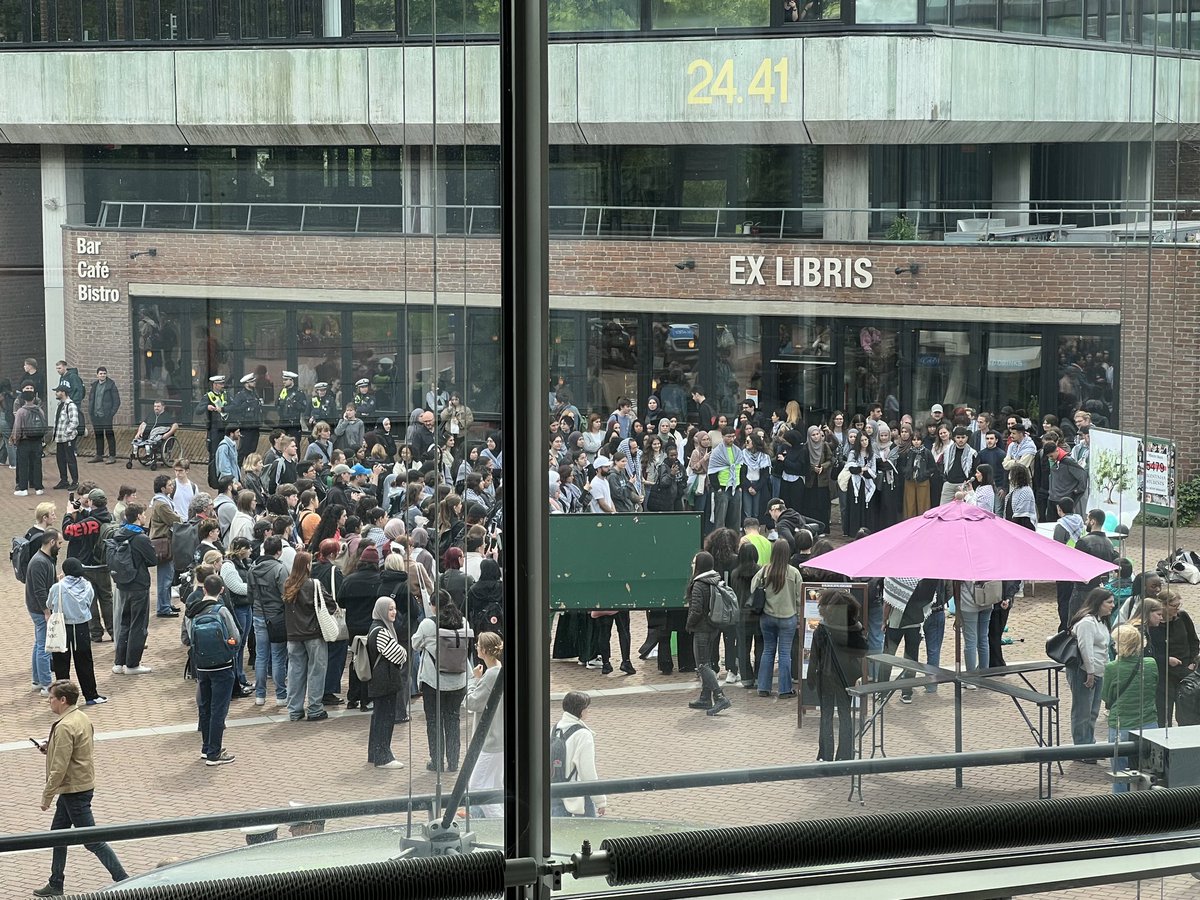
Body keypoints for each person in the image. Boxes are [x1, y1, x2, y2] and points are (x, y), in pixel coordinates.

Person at [32, 680, 128, 897]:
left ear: (63, 700)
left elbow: (60, 766)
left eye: (52, 698)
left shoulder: (65, 725)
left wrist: (47, 796)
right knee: (58, 835)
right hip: (76, 786)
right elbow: (75, 750)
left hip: (73, 790)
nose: (50, 701)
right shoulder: (81, 717)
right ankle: (56, 882)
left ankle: (124, 879)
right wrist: (51, 746)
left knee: (93, 841)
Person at [412, 592, 474, 772]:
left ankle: (436, 761)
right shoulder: (463, 622)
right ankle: (453, 762)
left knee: (434, 721)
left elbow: (415, 644)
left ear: (432, 605)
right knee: (453, 720)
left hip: (434, 681)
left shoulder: (428, 624)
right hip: (459, 679)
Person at [184, 574, 240, 766]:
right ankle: (215, 753)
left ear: (204, 590)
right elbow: (236, 637)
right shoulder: (221, 610)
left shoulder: (193, 611)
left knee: (205, 707)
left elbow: (187, 638)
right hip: (222, 665)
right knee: (219, 709)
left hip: (201, 666)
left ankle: (206, 748)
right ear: (222, 591)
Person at [806, 588, 867, 761]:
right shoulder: (855, 628)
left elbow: (814, 658)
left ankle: (825, 755)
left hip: (825, 677)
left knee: (826, 715)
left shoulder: (822, 630)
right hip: (847, 676)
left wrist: (810, 678)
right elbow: (863, 651)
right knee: (845, 714)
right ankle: (845, 754)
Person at [1103, 624, 1159, 792]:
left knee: (1120, 773)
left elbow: (1107, 696)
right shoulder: (1150, 663)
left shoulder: (1112, 668)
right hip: (1148, 721)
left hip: (1122, 724)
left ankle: (1121, 810)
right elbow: (1154, 687)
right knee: (1150, 773)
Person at [283, 551, 334, 724]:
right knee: (316, 671)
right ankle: (314, 708)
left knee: (295, 671)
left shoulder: (288, 584)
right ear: (307, 565)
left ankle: (295, 710)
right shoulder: (314, 584)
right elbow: (330, 604)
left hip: (293, 634)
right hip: (313, 633)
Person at [750, 538, 803, 699]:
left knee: (768, 650)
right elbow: (800, 598)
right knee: (785, 653)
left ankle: (763, 687)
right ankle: (784, 689)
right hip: (788, 617)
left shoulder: (765, 570)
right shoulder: (794, 573)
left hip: (767, 616)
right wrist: (799, 617)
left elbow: (753, 587)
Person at [48, 558, 105, 705]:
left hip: (63, 626)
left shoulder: (58, 587)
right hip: (81, 626)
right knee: (84, 661)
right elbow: (89, 601)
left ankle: (64, 698)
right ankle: (91, 695)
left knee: (61, 664)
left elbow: (49, 603)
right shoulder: (87, 585)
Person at [110, 504, 157, 676]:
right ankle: (132, 664)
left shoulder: (118, 533)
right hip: (139, 585)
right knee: (138, 625)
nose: (145, 517)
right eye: (144, 514)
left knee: (124, 623)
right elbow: (152, 560)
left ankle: (119, 662)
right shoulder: (140, 538)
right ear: (138, 516)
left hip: (123, 584)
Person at [684, 551, 732, 715]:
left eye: (693, 562)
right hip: (713, 627)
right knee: (708, 662)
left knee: (702, 665)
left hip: (702, 629)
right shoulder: (714, 579)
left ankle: (720, 697)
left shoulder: (699, 584)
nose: (692, 565)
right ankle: (705, 698)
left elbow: (696, 610)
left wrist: (689, 624)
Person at [363, 596, 408, 769]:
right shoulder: (381, 631)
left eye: (394, 608)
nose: (394, 612)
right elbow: (399, 654)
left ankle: (375, 753)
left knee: (379, 717)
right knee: (384, 718)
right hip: (384, 681)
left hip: (381, 681)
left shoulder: (378, 628)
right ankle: (383, 757)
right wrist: (403, 653)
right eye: (390, 609)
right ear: (381, 610)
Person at [1067, 588, 1115, 748]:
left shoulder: (1102, 621)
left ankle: (1089, 742)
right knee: (1083, 711)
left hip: (1099, 671)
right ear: (1098, 603)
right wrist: (1090, 672)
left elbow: (1104, 648)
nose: (1113, 606)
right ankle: (1081, 747)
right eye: (1109, 602)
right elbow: (1085, 648)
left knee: (1093, 711)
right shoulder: (1087, 623)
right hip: (1084, 672)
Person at [550, 691, 608, 818]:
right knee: (586, 834)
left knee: (557, 834)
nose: (588, 711)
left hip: (554, 791)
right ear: (581, 711)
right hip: (578, 795)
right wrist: (600, 801)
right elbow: (587, 771)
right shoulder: (583, 735)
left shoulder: (554, 729)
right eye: (587, 708)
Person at [466, 631, 505, 816]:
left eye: (478, 645)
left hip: (491, 741)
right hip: (502, 739)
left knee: (477, 786)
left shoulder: (490, 676)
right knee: (496, 786)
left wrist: (473, 681)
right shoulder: (500, 670)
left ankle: (499, 823)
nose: (476, 647)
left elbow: (472, 702)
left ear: (483, 650)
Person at [1147, 591, 1199, 727]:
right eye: (1174, 605)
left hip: (1186, 671)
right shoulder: (1154, 625)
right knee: (1164, 713)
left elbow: (1193, 640)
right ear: (1163, 606)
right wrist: (1166, 659)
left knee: (1187, 713)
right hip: (1165, 674)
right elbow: (1151, 652)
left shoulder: (1183, 617)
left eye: (1178, 605)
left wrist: (1193, 662)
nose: (1177, 608)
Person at [249, 535, 290, 708]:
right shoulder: (280, 569)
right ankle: (280, 695)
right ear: (279, 552)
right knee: (278, 657)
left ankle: (260, 695)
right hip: (277, 617)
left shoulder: (253, 569)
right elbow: (286, 595)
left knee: (261, 656)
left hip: (259, 614)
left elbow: (250, 594)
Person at [27, 529, 61, 696]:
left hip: (37, 607)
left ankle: (37, 680)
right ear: (52, 542)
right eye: (59, 543)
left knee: (39, 644)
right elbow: (40, 591)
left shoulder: (45, 560)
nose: (61, 547)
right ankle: (47, 684)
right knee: (44, 647)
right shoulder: (40, 562)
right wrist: (46, 611)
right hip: (40, 609)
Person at [148, 474, 182, 618]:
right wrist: (179, 517)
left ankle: (166, 604)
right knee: (165, 577)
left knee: (168, 575)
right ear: (162, 488)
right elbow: (173, 519)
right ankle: (163, 607)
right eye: (169, 485)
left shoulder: (163, 501)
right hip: (163, 542)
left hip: (166, 540)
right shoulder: (162, 504)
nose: (172, 487)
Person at [12, 384, 46, 495]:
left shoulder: (21, 411)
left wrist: (15, 440)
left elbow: (17, 428)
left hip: (24, 441)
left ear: (24, 398)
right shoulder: (39, 410)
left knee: (23, 464)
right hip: (37, 441)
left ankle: (23, 488)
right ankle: (38, 488)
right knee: (37, 464)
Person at [841, 429, 875, 536]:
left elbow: (872, 472)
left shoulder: (871, 454)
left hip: (867, 484)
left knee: (866, 507)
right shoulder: (853, 453)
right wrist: (862, 469)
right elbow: (851, 468)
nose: (864, 442)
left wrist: (862, 470)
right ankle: (853, 531)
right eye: (862, 440)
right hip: (855, 484)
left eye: (866, 440)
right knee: (855, 506)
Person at [86, 367, 120, 464]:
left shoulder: (111, 385)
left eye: (104, 373)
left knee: (109, 435)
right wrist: (91, 412)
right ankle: (99, 455)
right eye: (101, 373)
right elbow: (91, 399)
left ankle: (112, 456)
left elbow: (117, 401)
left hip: (106, 415)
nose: (103, 375)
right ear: (97, 375)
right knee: (98, 435)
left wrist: (111, 413)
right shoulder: (94, 385)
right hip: (96, 415)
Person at [51, 381, 80, 491]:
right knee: (60, 459)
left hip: (67, 438)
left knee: (70, 459)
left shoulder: (70, 405)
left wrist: (66, 432)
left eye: (57, 391)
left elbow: (74, 422)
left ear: (63, 392)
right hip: (59, 438)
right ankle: (64, 480)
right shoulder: (60, 405)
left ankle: (75, 481)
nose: (56, 393)